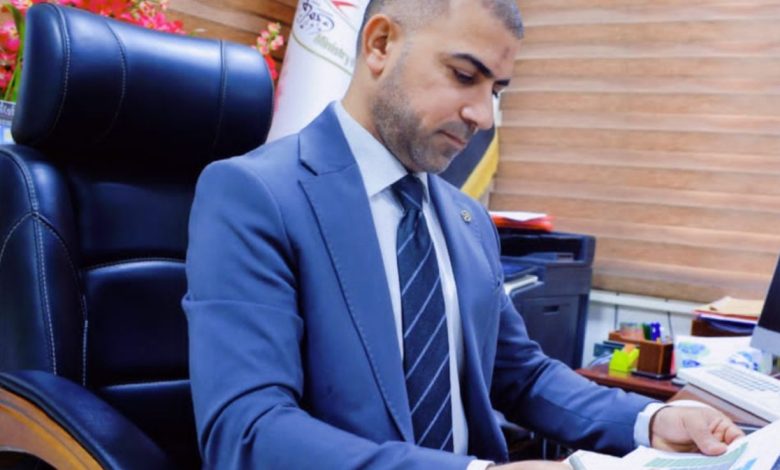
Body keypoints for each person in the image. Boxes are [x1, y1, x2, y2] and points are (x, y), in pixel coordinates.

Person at [183, 0, 744, 468]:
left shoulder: (466, 220)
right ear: (380, 44)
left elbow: (521, 376)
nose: (483, 115)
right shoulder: (257, 194)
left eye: (496, 89)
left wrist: (652, 421)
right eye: (464, 76)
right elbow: (248, 431)